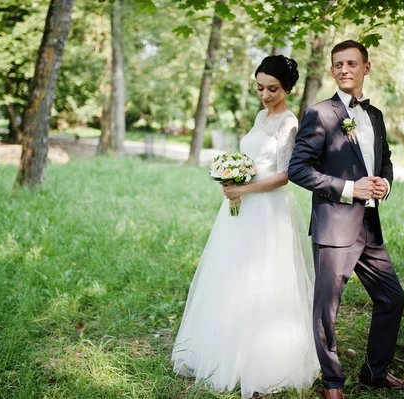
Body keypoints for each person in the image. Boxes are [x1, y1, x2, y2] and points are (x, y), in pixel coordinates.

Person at [172, 55, 319, 398]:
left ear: (287, 88)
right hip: (240, 206)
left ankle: (263, 360)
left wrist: (245, 188)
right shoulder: (259, 115)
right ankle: (224, 348)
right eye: (260, 88)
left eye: (273, 89)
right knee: (231, 273)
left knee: (264, 278)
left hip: (268, 209)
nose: (265, 95)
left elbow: (286, 175)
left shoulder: (289, 123)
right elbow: (253, 159)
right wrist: (233, 174)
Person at [288, 40, 404, 399]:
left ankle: (376, 372)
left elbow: (385, 159)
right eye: (338, 65)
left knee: (392, 298)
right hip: (334, 225)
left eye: (351, 63)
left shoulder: (374, 115)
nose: (344, 69)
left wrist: (383, 183)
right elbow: (298, 169)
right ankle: (332, 382)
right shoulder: (320, 113)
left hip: (369, 226)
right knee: (326, 308)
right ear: (332, 71)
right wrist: (349, 188)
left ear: (366, 67)